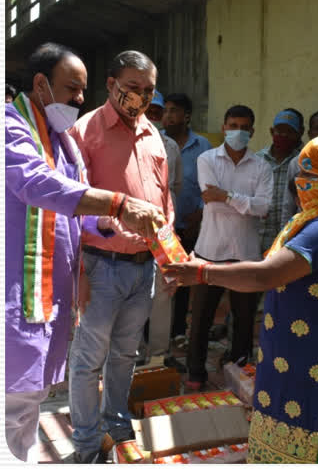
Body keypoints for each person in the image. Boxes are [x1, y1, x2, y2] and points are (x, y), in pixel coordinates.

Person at [166, 133, 318, 463]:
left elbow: (264, 275)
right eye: (300, 175)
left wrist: (201, 273)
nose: (301, 183)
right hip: (298, 359)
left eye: (311, 176)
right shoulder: (316, 219)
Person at [5, 43, 163, 463]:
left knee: (28, 402)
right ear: (40, 85)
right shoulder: (11, 127)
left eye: (82, 90)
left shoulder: (60, 141)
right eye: (72, 88)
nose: (79, 99)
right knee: (13, 399)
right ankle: (81, 443)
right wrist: (118, 204)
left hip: (65, 286)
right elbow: (37, 185)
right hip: (18, 287)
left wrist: (106, 223)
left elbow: (71, 213)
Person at [68, 50, 175, 463]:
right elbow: (70, 205)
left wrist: (167, 258)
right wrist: (80, 272)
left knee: (126, 353)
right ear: (111, 84)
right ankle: (86, 443)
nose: (141, 97)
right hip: (101, 266)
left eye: (148, 90)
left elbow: (164, 200)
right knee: (88, 361)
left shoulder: (152, 132)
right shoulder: (86, 132)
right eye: (133, 88)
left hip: (143, 266)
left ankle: (115, 424)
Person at [185, 105, 273, 389]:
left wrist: (227, 196)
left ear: (252, 131)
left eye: (244, 126)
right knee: (200, 318)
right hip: (210, 251)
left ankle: (240, 373)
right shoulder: (206, 159)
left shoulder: (262, 166)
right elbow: (210, 199)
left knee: (244, 321)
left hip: (246, 254)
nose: (238, 131)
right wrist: (242, 202)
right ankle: (195, 374)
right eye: (233, 124)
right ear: (223, 127)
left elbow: (264, 208)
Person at [162, 92, 212, 345]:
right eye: (166, 110)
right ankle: (153, 333)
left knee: (184, 277)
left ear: (187, 115)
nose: (168, 115)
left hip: (191, 224)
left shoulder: (202, 146)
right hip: (160, 228)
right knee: (160, 280)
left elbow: (212, 182)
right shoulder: (155, 142)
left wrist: (200, 214)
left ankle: (179, 330)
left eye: (174, 110)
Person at [142, 90, 184, 370]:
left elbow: (175, 187)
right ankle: (132, 354)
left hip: (163, 231)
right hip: (131, 229)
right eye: (150, 112)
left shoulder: (171, 146)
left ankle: (157, 354)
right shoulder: (122, 140)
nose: (154, 118)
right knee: (132, 293)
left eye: (158, 113)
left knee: (164, 293)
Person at [256, 109, 304, 252]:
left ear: (300, 133)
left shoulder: (302, 162)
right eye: (279, 131)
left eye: (290, 132)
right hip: (257, 240)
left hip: (291, 242)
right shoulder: (258, 159)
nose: (284, 136)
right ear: (272, 131)